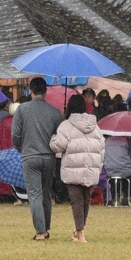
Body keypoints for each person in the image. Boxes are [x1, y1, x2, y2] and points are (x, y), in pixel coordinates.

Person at [49, 95, 105, 244]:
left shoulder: (66, 125)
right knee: (86, 200)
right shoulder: (95, 126)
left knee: (77, 201)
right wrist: (98, 167)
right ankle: (80, 229)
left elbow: (57, 146)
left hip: (73, 168)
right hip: (91, 168)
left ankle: (80, 233)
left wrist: (54, 136)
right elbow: (102, 148)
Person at [10, 78, 60, 239]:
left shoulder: (22, 110)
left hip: (30, 156)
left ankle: (40, 231)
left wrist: (21, 148)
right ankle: (45, 226)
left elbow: (15, 134)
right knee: (46, 192)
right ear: (46, 91)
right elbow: (60, 134)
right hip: (49, 157)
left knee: (34, 194)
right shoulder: (54, 111)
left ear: (30, 91)